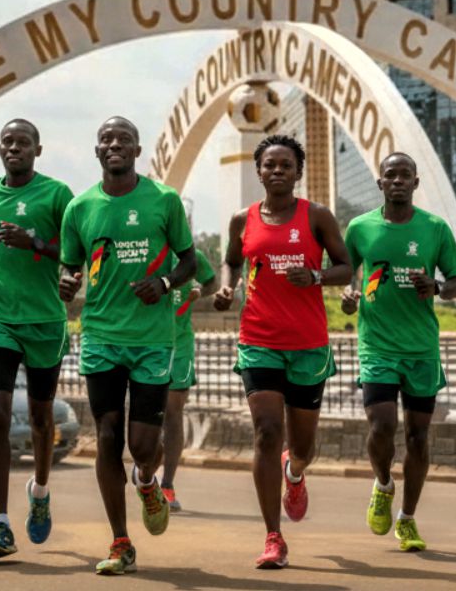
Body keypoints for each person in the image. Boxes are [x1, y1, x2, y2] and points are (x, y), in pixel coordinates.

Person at [58, 116, 199, 575]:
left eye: (123, 140)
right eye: (106, 140)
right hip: (100, 336)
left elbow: (190, 261)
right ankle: (120, 542)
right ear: (97, 151)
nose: (114, 145)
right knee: (105, 438)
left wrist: (163, 281)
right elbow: (70, 268)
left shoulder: (163, 200)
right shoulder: (79, 208)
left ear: (138, 151)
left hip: (153, 341)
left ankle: (146, 481)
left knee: (142, 447)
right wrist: (65, 281)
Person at [213, 133, 353, 570]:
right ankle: (273, 536)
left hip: (308, 344)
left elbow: (346, 266)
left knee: (303, 445)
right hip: (258, 339)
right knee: (267, 433)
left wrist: (314, 277)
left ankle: (296, 472)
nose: (276, 171)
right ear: (258, 171)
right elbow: (233, 259)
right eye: (269, 165)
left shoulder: (318, 217)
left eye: (285, 165)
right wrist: (227, 285)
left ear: (297, 172)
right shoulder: (243, 219)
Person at [0, 119, 74, 558]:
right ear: (0, 148)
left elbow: (74, 250)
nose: (14, 148)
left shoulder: (57, 194)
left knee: (42, 418)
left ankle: (40, 491)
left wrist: (35, 242)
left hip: (44, 320)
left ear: (37, 150)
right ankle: (0, 523)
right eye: (7, 142)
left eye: (23, 143)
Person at [340, 153, 456, 552]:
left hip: (421, 349)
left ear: (415, 182)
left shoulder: (435, 228)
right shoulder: (360, 228)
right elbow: (345, 273)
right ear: (380, 184)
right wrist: (347, 295)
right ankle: (383, 483)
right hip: (377, 345)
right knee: (380, 426)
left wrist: (437, 287)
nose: (397, 181)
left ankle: (407, 519)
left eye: (404, 175)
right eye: (390, 175)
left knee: (417, 435)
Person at [159, 200, 219, 512]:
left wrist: (200, 293)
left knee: (172, 412)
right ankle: (146, 475)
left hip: (180, 346)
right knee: (147, 415)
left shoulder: (191, 256)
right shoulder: (146, 250)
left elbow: (212, 282)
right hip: (145, 343)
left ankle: (166, 484)